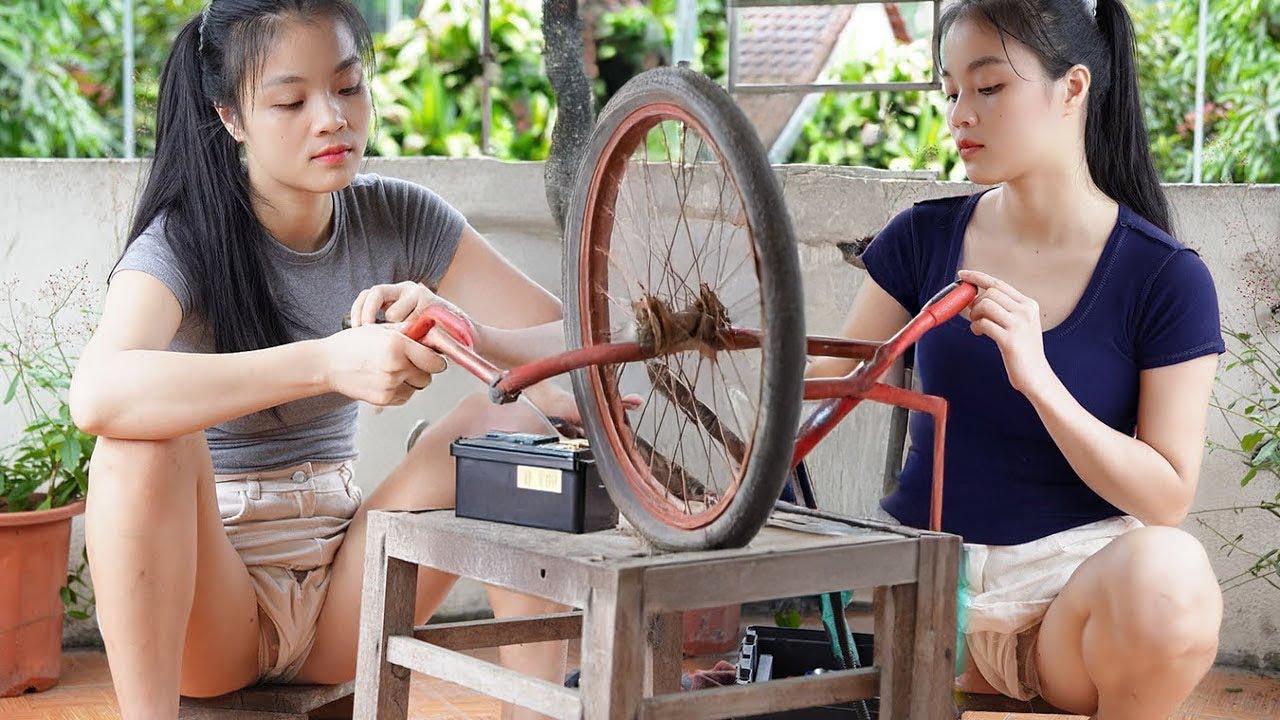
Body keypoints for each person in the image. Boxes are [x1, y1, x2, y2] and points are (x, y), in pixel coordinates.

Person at [68, 2, 575, 718]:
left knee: (516, 418)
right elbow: (96, 394)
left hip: (348, 587)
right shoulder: (182, 242)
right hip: (212, 615)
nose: (332, 118)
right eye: (291, 100)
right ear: (231, 117)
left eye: (347, 86)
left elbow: (574, 346)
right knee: (142, 443)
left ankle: (537, 711)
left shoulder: (399, 216)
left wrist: (468, 330)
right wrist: (327, 363)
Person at [806, 0, 1224, 717]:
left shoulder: (1165, 276)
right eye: (950, 92)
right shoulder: (920, 237)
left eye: (989, 87)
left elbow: (1166, 496)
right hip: (932, 596)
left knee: (1172, 578)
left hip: (1064, 609)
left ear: (1073, 89)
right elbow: (829, 384)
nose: (960, 114)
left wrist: (1038, 379)